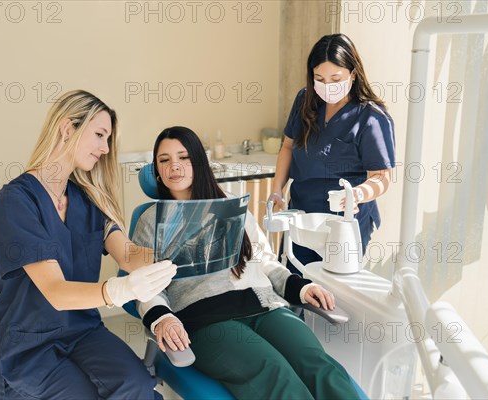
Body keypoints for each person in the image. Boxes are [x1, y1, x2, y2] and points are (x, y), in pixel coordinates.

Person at [132, 126, 366, 400]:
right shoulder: (151, 220)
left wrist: (300, 288)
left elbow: (263, 260)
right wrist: (163, 318)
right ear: (157, 170)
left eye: (184, 157)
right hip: (206, 321)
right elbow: (145, 286)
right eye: (164, 160)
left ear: (199, 162)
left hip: (264, 306)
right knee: (276, 374)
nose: (174, 166)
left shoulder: (231, 205)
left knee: (321, 367)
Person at [0, 90, 177, 399]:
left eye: (108, 140)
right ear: (67, 128)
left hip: (81, 332)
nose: (105, 148)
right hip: (28, 346)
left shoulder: (87, 200)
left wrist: (184, 247)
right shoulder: (15, 202)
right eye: (100, 135)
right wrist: (121, 290)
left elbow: (129, 256)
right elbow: (56, 292)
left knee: (139, 385)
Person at [270, 33, 396, 273]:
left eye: (335, 78)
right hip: (301, 217)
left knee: (333, 295)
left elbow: (381, 176)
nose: (327, 87)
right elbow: (287, 146)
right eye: (319, 78)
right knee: (296, 285)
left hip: (344, 224)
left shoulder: (371, 118)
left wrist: (357, 194)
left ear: (353, 73)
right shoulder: (306, 100)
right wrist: (277, 189)